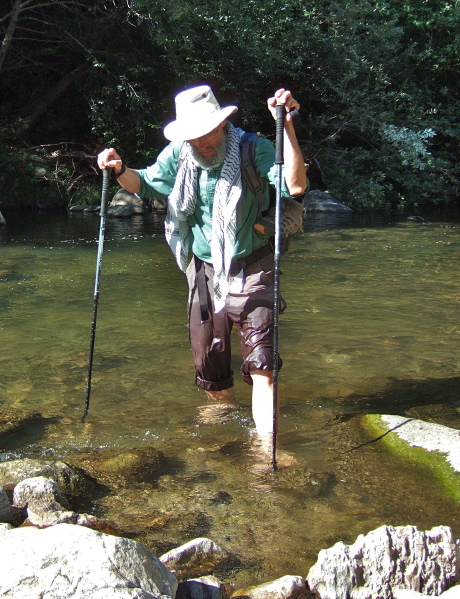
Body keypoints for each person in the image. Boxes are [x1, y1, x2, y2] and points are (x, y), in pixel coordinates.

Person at [96, 84, 308, 445]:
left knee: (263, 366)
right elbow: (144, 183)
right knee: (211, 369)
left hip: (253, 266)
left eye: (207, 135)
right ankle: (225, 436)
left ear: (223, 124)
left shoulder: (252, 147)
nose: (202, 145)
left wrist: (285, 123)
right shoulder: (181, 153)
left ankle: (266, 453)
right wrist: (118, 169)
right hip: (204, 271)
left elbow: (294, 185)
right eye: (194, 138)